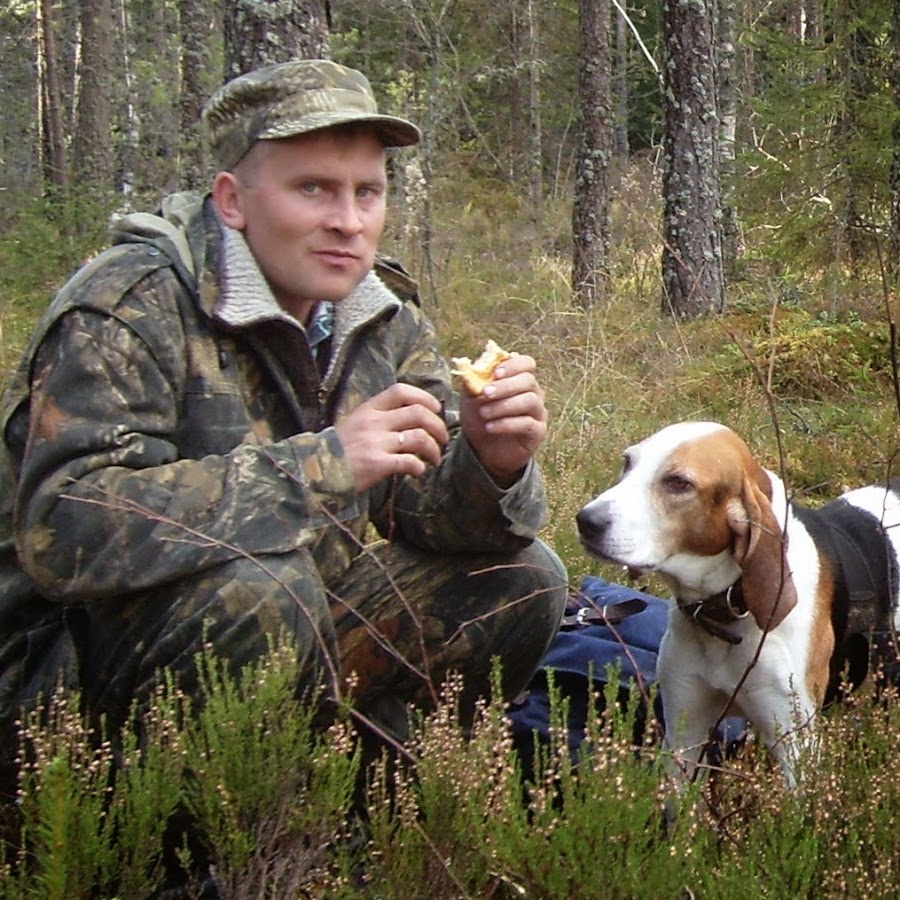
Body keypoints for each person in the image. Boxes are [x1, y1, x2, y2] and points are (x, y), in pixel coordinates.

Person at [0, 59, 568, 777]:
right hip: (69, 693)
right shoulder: (130, 305)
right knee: (264, 591)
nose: (348, 221)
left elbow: (422, 510)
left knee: (524, 578)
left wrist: (491, 463)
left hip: (281, 629)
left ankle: (375, 815)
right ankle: (190, 861)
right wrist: (323, 466)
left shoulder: (381, 316)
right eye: (314, 189)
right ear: (233, 201)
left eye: (369, 192)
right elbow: (64, 528)